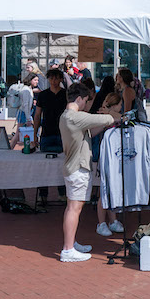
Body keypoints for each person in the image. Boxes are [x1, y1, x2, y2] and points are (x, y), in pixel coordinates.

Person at [58, 83, 115, 262]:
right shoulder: (76, 117)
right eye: (86, 101)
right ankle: (68, 250)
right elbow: (106, 120)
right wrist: (108, 113)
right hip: (78, 169)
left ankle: (71, 243)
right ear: (80, 99)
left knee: (72, 208)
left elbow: (89, 132)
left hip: (72, 167)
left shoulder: (66, 117)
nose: (86, 104)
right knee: (74, 209)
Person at [93, 92, 126, 238]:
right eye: (120, 104)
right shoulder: (103, 116)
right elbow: (93, 132)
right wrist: (107, 116)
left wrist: (110, 112)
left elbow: (127, 119)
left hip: (117, 156)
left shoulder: (114, 115)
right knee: (104, 190)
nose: (121, 107)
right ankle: (101, 223)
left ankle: (113, 220)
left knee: (114, 189)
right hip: (106, 156)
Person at [33, 68, 68, 152]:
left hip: (63, 132)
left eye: (56, 79)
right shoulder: (43, 95)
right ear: (48, 79)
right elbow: (37, 115)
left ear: (61, 79)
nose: (53, 81)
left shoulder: (66, 94)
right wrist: (35, 134)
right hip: (46, 132)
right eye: (51, 78)